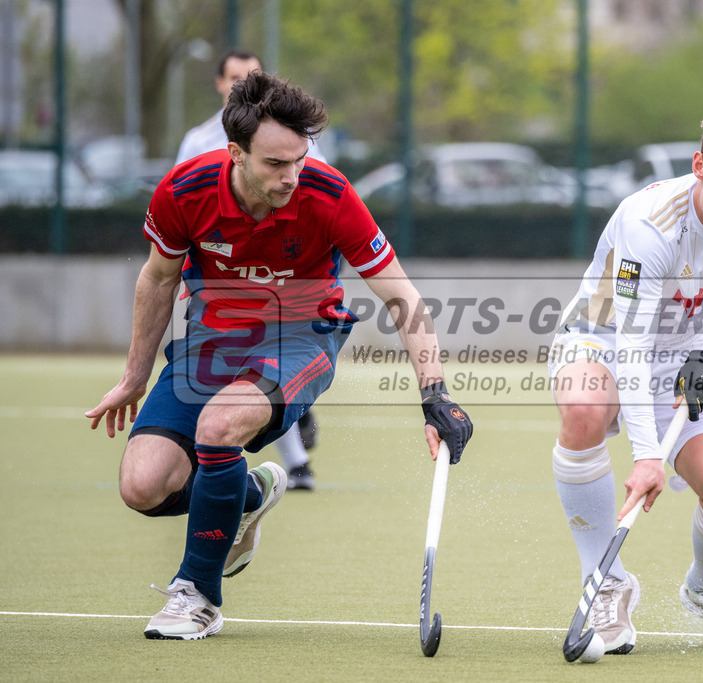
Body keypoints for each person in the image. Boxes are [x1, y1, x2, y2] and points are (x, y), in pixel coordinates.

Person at [86, 71, 472, 640]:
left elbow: (401, 295)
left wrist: (435, 394)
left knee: (219, 426)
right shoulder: (183, 192)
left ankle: (197, 596)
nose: (292, 176)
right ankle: (250, 492)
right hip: (211, 341)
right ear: (235, 153)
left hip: (302, 337)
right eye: (275, 164)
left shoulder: (328, 193)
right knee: (143, 487)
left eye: (299, 158)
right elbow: (158, 278)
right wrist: (133, 379)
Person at [547, 89, 703, 654]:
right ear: (699, 166)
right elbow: (630, 345)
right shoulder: (650, 225)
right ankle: (604, 581)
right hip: (601, 336)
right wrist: (647, 456)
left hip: (685, 350)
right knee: (586, 410)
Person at [176, 49, 324, 490]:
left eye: (253, 76)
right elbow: (182, 210)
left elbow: (321, 196)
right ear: (221, 85)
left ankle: (293, 458)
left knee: (261, 368)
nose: (244, 84)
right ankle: (280, 457)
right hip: (218, 277)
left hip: (283, 274)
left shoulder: (294, 138)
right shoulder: (198, 142)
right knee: (237, 373)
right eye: (235, 77)